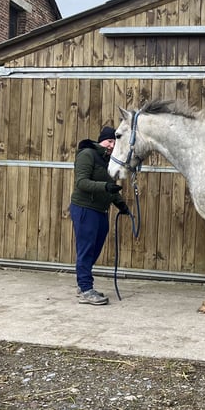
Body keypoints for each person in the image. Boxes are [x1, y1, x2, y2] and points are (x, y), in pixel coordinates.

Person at [69, 125, 130, 305]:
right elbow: (82, 182)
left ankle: (83, 282)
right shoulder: (87, 155)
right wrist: (105, 187)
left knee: (94, 249)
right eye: (110, 141)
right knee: (86, 249)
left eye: (115, 142)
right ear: (101, 140)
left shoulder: (108, 160)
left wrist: (121, 205)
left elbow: (110, 189)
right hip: (85, 209)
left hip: (101, 210)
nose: (112, 145)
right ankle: (86, 289)